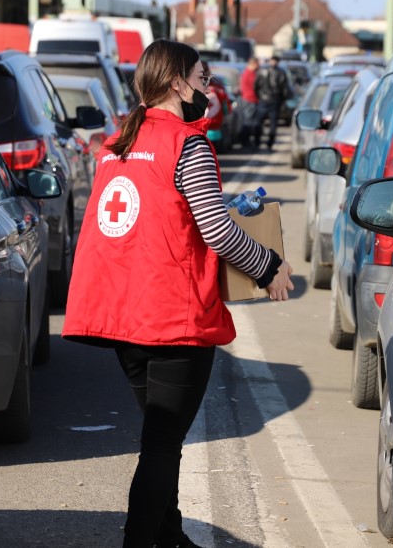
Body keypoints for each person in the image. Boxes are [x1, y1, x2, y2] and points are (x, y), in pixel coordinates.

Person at [62, 39, 294, 548]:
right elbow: (216, 230)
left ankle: (171, 536)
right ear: (177, 83)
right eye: (203, 78)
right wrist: (269, 266)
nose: (208, 88)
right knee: (162, 445)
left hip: (124, 318)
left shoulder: (118, 144)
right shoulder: (186, 145)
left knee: (160, 438)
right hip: (173, 318)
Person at [253, 56, 291, 150]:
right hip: (273, 100)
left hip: (265, 100)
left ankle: (258, 141)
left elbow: (256, 86)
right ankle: (268, 142)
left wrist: (259, 96)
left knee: (261, 121)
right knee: (271, 122)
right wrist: (282, 100)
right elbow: (285, 90)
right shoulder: (280, 72)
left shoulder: (263, 71)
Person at [238, 57, 260, 147]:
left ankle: (245, 141)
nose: (259, 66)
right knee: (249, 122)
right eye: (257, 64)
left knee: (248, 121)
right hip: (250, 99)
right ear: (253, 64)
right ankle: (245, 141)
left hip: (247, 98)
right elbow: (255, 87)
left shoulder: (246, 73)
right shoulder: (250, 74)